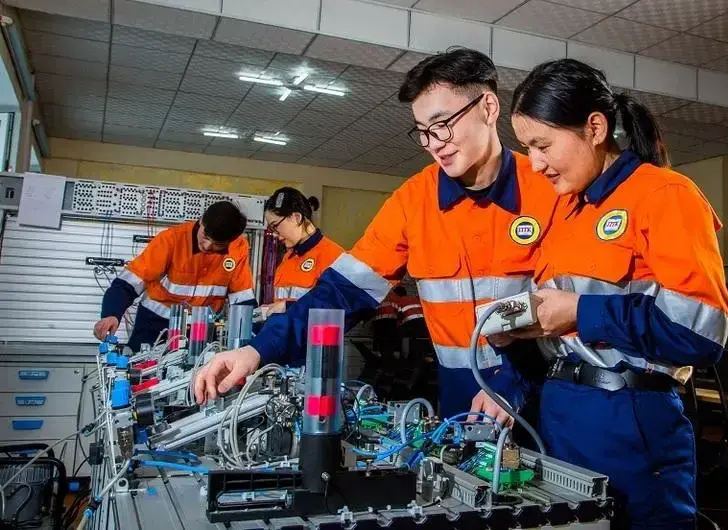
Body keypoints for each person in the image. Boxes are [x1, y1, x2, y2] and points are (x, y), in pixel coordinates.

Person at [195, 48, 559, 425]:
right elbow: (340, 293)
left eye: (442, 124)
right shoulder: (412, 201)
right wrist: (257, 352)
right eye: (422, 132)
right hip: (459, 400)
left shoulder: (549, 189)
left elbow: (573, 307)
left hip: (543, 395)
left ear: (487, 108)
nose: (433, 143)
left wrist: (514, 380)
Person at [505, 58, 728, 528]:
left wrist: (579, 312)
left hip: (628, 415)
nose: (535, 163)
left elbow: (701, 334)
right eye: (527, 147)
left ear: (594, 127)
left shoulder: (666, 194)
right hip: (560, 410)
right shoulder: (566, 212)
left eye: (544, 145)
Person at [93, 201, 256, 351]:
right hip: (154, 325)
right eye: (205, 237)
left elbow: (243, 299)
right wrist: (112, 313)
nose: (207, 246)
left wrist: (256, 339)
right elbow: (129, 282)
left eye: (218, 245)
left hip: (200, 329)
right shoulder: (171, 239)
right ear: (201, 221)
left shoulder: (238, 248)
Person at [259, 187, 344, 318]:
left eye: (275, 226)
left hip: (314, 338)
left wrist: (289, 307)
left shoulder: (334, 256)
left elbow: (338, 308)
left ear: (297, 217)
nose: (275, 235)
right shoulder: (289, 257)